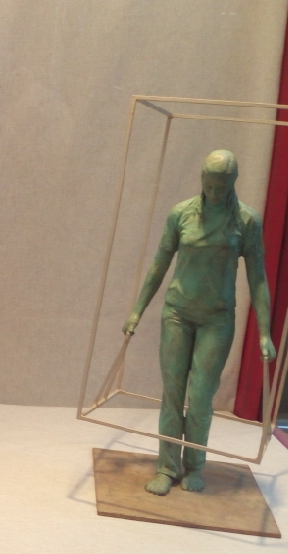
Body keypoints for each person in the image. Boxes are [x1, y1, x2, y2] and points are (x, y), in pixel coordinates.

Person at [122, 150, 275, 496]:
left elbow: (258, 278)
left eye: (222, 186)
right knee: (173, 393)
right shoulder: (181, 214)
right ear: (202, 180)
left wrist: (265, 332)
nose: (215, 192)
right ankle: (167, 466)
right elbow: (159, 264)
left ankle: (194, 466)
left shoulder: (246, 220)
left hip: (217, 319)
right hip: (177, 313)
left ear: (233, 182)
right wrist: (137, 310)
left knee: (202, 397)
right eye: (210, 185)